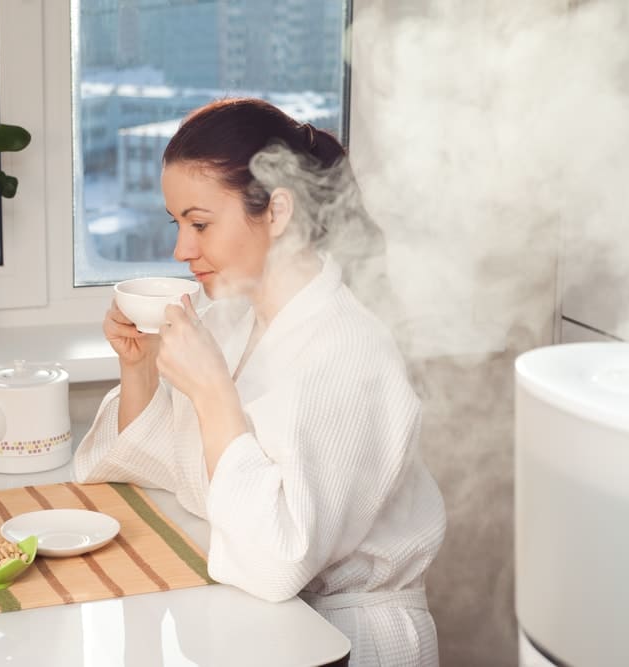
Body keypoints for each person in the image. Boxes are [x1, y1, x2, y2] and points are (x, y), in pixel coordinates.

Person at [73, 98, 446, 667]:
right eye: (177, 225)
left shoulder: (347, 350)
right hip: (262, 627)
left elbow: (279, 560)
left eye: (199, 224)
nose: (181, 251)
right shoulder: (232, 317)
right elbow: (152, 465)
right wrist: (140, 364)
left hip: (343, 640)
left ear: (276, 212)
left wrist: (213, 393)